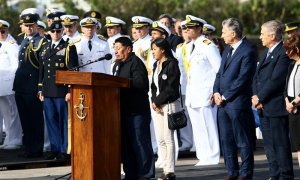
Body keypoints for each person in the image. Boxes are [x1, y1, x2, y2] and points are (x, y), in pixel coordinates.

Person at [213, 18, 256, 179]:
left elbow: (243, 78)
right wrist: (216, 91)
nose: (222, 35)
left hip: (237, 102)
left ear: (233, 33)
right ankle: (232, 173)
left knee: (243, 140)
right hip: (222, 104)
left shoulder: (248, 50)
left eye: (224, 32)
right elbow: (219, 74)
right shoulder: (227, 50)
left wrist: (225, 95)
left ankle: (245, 174)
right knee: (226, 140)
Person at [252, 20, 294, 179]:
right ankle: (274, 174)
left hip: (275, 105)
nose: (260, 37)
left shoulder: (283, 52)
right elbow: (256, 77)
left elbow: (276, 80)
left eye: (262, 33)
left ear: (272, 35)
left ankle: (285, 175)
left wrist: (260, 96)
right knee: (269, 145)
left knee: (280, 144)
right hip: (262, 106)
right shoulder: (266, 52)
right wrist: (255, 96)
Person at [112, 36, 154, 180]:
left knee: (140, 142)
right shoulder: (118, 64)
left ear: (128, 49)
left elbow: (141, 83)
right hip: (123, 111)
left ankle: (146, 174)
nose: (115, 51)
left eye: (118, 48)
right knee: (126, 144)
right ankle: (131, 174)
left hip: (137, 112)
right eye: (114, 48)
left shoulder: (136, 63)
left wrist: (122, 82)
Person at [38, 21, 78, 160]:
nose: (56, 34)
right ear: (49, 32)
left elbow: (73, 70)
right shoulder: (44, 47)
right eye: (53, 31)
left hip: (61, 91)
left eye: (59, 31)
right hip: (48, 90)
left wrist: (69, 90)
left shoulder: (68, 47)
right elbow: (42, 70)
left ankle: (65, 149)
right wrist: (40, 89)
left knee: (64, 122)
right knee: (51, 121)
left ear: (62, 32)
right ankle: (54, 148)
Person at [184, 15, 221, 166]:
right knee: (198, 127)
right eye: (186, 28)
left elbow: (218, 70)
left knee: (208, 125)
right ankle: (202, 155)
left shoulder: (208, 45)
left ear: (199, 29)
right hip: (193, 93)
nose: (187, 31)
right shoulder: (188, 47)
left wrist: (214, 91)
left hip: (206, 92)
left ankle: (212, 155)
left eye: (190, 28)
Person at [13, 13, 46, 158]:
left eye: (31, 25)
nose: (29, 28)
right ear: (23, 27)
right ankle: (28, 147)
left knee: (35, 119)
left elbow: (43, 68)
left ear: (36, 26)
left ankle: (36, 149)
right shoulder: (22, 40)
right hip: (20, 85)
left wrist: (40, 87)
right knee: (25, 119)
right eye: (26, 26)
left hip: (32, 86)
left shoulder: (41, 42)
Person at [151, 38, 181, 180]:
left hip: (169, 104)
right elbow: (153, 86)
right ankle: (164, 168)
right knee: (161, 139)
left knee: (169, 138)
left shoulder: (172, 64)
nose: (153, 52)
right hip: (157, 105)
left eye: (155, 49)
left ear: (162, 49)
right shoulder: (155, 64)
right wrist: (154, 101)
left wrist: (157, 102)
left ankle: (170, 171)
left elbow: (171, 87)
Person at [0, 19, 23, 150]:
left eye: (3, 31)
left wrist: (15, 84)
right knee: (6, 115)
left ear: (7, 31)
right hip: (1, 86)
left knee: (13, 114)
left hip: (9, 85)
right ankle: (9, 138)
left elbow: (16, 66)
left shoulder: (11, 44)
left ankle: (15, 140)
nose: (1, 34)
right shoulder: (1, 44)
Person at [175, 20, 194, 152]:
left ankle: (195, 143)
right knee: (183, 115)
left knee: (193, 116)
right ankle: (186, 142)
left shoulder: (195, 45)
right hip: (181, 85)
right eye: (183, 31)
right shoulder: (179, 47)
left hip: (192, 85)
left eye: (188, 30)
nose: (186, 33)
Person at [283, 30, 300, 167]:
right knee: (298, 145)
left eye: (289, 50)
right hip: (292, 110)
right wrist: (287, 101)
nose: (287, 53)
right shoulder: (291, 65)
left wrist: (295, 102)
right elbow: (286, 87)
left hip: (298, 106)